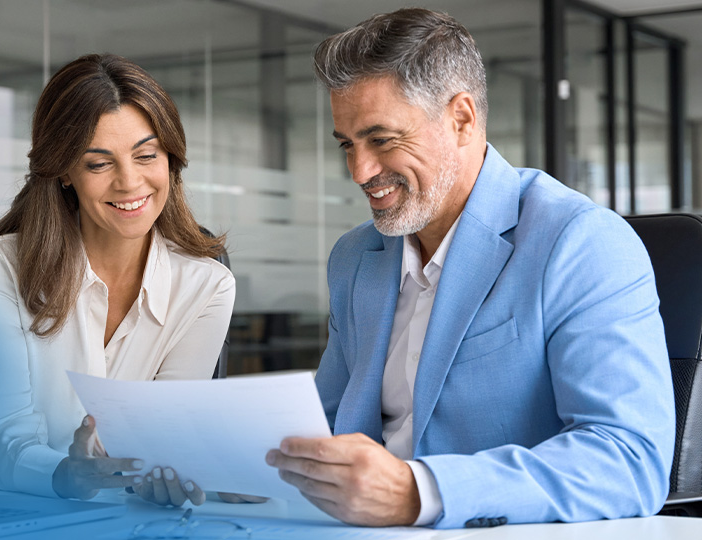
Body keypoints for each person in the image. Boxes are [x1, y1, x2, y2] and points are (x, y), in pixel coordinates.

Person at [265, 8, 675, 529]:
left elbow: (630, 459)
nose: (360, 171)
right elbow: (320, 428)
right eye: (347, 144)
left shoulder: (580, 242)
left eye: (382, 139)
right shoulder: (356, 257)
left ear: (461, 118)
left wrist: (421, 492)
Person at [0, 53, 234, 507]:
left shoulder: (208, 284)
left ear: (170, 158)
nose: (130, 182)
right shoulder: (2, 265)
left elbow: (164, 442)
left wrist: (177, 470)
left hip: (126, 520)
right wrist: (65, 473)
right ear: (63, 171)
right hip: (17, 513)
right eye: (99, 164)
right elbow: (1, 440)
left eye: (146, 155)